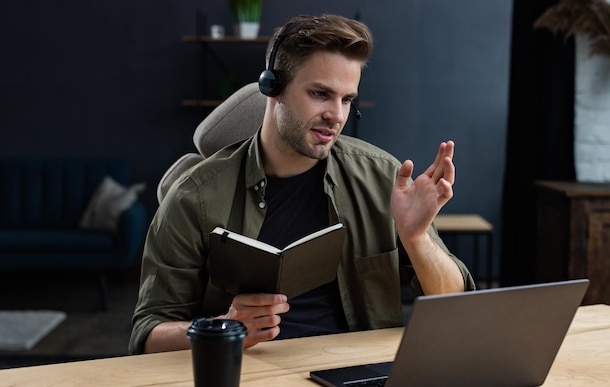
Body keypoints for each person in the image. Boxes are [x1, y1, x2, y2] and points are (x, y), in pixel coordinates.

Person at [129, 14, 474, 355]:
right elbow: (147, 335)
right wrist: (225, 328)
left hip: (357, 375)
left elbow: (454, 299)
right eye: (321, 94)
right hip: (247, 379)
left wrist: (415, 239)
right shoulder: (195, 195)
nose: (337, 115)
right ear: (273, 88)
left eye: (347, 99)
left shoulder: (382, 176)